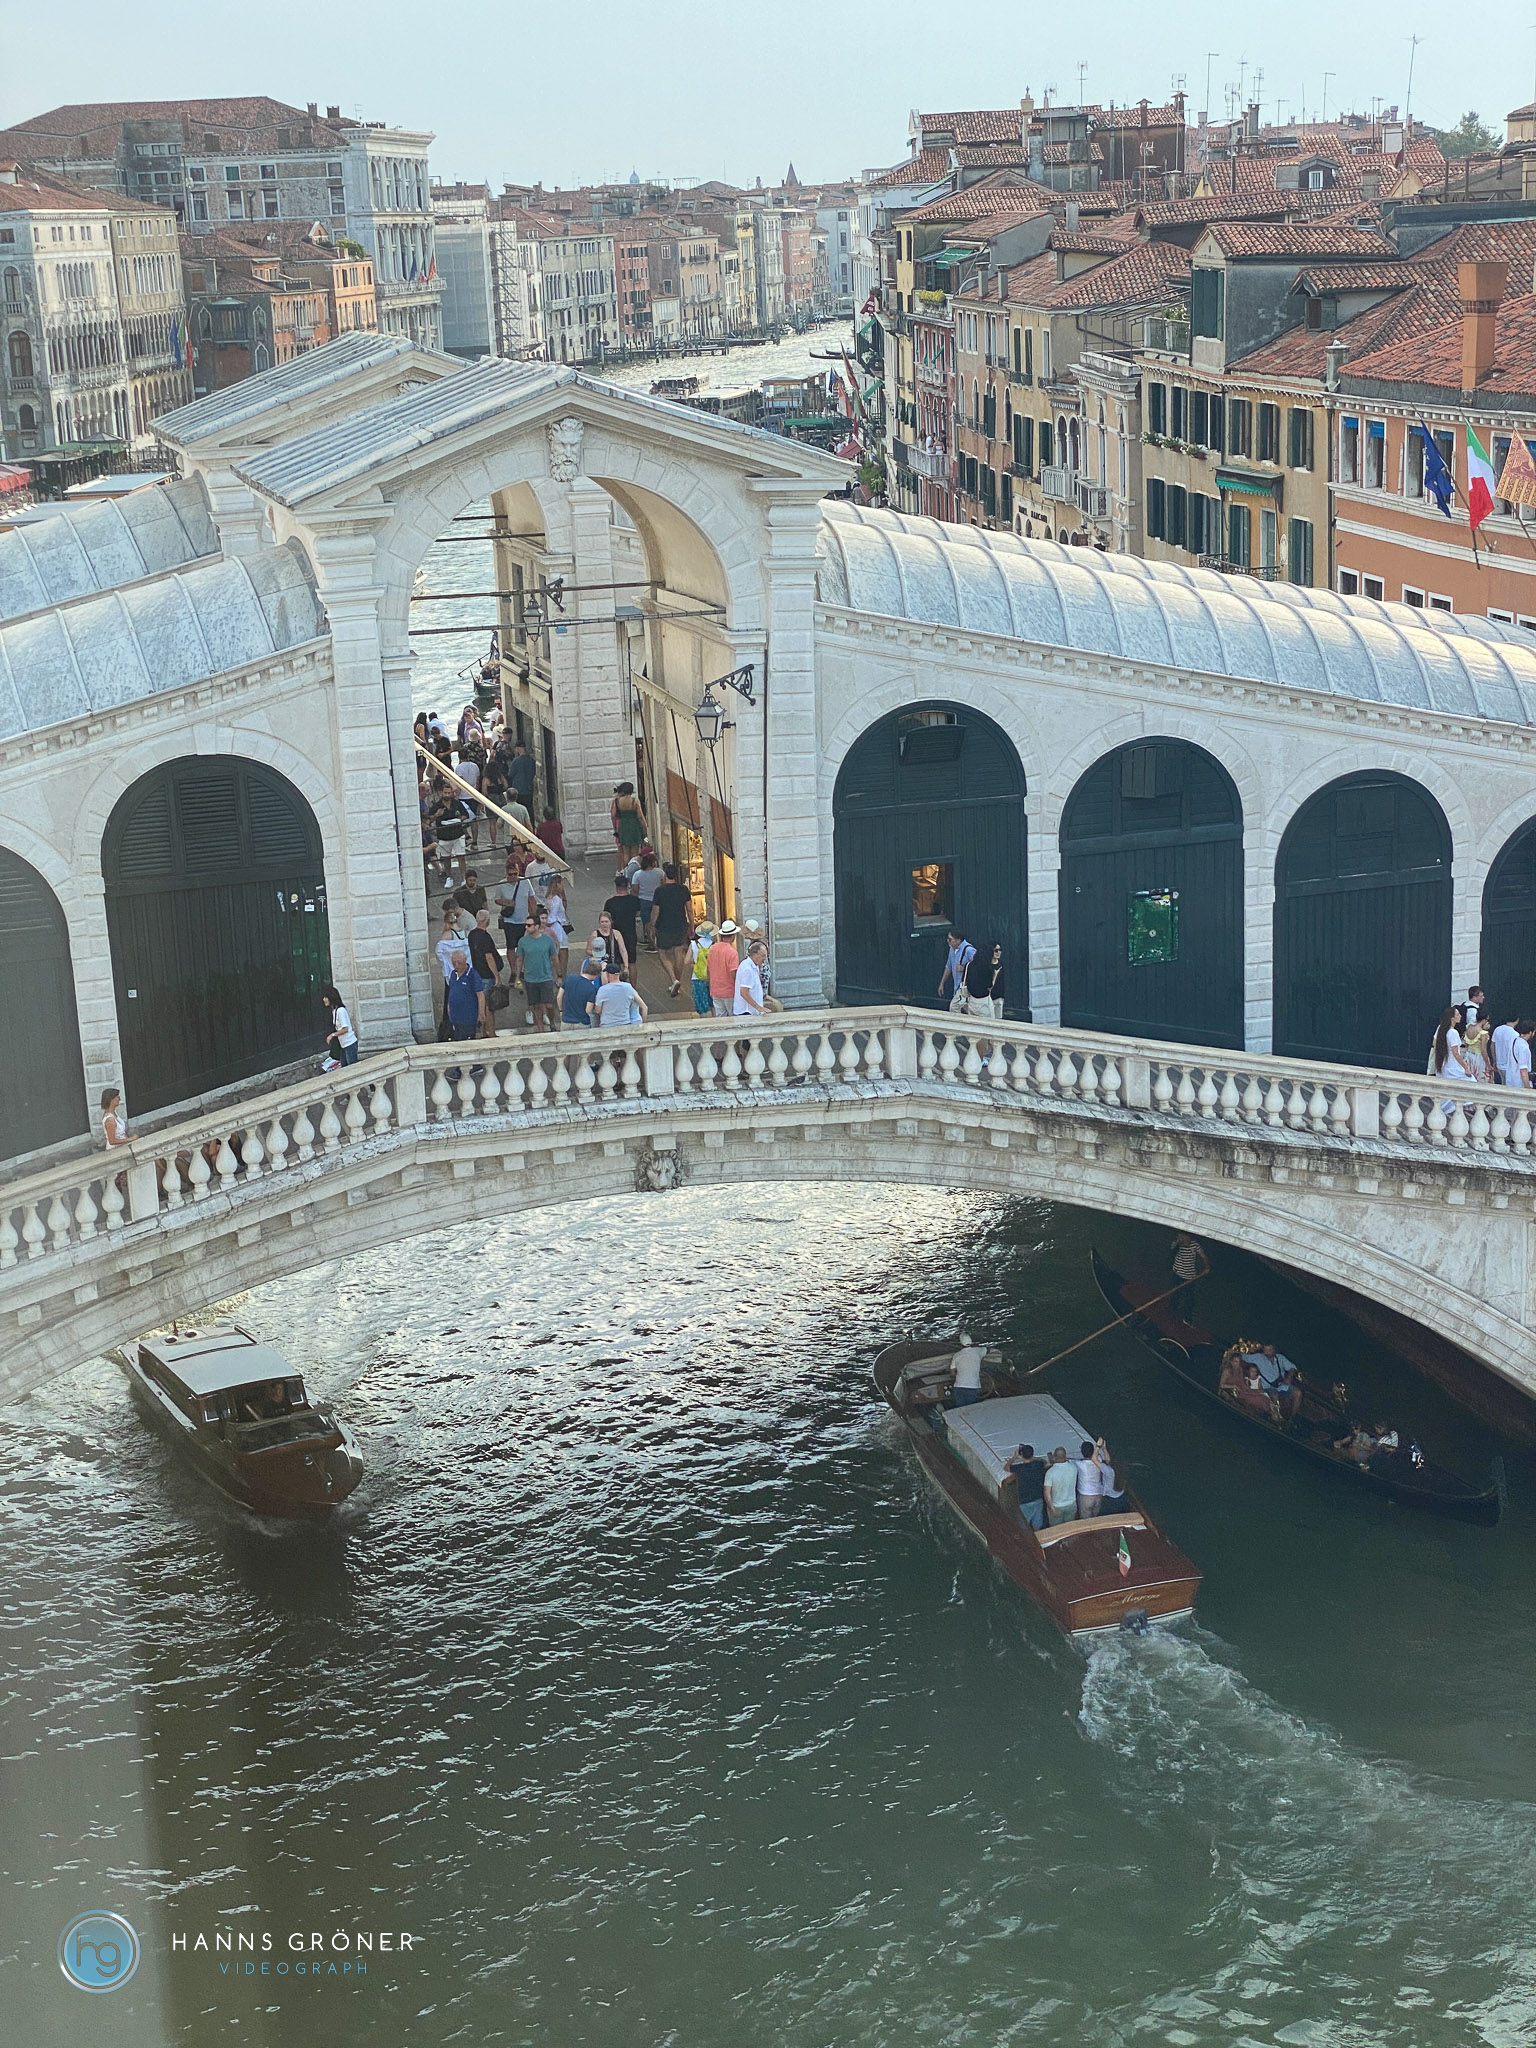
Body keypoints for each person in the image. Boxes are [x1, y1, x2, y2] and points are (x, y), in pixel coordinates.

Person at [653, 862, 694, 995]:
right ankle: (677, 980)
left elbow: (655, 911)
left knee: (662, 953)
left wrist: (652, 926)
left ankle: (673, 979)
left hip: (664, 925)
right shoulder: (684, 890)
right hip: (680, 925)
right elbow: (689, 910)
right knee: (679, 952)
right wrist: (692, 925)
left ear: (665, 875)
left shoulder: (660, 891)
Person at [516, 912, 561, 1033]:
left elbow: (555, 958)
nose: (526, 927)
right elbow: (519, 959)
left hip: (546, 977)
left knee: (549, 1005)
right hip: (530, 978)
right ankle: (540, 1028)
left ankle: (551, 1021)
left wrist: (559, 975)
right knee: (535, 1005)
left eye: (529, 925)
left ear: (537, 926)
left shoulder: (548, 940)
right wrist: (517, 977)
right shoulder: (523, 941)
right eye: (526, 925)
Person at [602, 874, 644, 974]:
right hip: (631, 934)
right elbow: (638, 913)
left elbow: (606, 917)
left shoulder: (610, 903)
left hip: (616, 936)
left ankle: (622, 983)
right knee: (632, 962)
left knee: (620, 962)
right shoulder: (634, 900)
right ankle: (633, 987)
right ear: (627, 886)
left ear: (616, 887)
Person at [589, 961, 648, 1028]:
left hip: (607, 1025)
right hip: (625, 1023)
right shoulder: (628, 987)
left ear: (608, 974)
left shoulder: (602, 990)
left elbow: (597, 1010)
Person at [444, 951, 487, 1041]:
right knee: (457, 1039)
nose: (456, 964)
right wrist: (449, 1006)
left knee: (467, 1040)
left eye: (458, 962)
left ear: (464, 960)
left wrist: (481, 1013)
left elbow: (480, 995)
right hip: (455, 1016)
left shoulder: (472, 975)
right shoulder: (452, 974)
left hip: (468, 1017)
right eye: (453, 962)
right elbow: (452, 991)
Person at [1006, 1443, 1047, 1530]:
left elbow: (1006, 1467)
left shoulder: (1020, 1467)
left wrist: (1014, 1457)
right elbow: (1044, 1461)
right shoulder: (1038, 1464)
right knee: (1038, 1523)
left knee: (1023, 1525)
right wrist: (1032, 1457)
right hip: (1038, 1497)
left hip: (1025, 1500)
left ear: (1022, 1455)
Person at [1170, 1234, 1209, 1320]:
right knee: (1175, 1295)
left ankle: (1187, 1319)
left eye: (1186, 1237)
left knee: (1189, 1299)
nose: (1184, 1239)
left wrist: (1207, 1267)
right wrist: (1178, 1243)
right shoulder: (1177, 1244)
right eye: (1181, 1237)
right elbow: (1172, 1250)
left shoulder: (1195, 1245)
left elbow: (1203, 1256)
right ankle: (1171, 1314)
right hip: (1177, 1274)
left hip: (1190, 1276)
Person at [707, 920, 741, 1018]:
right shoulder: (732, 952)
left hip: (715, 989)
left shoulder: (712, 949)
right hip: (729, 991)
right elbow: (733, 973)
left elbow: (708, 970)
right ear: (733, 935)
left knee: (720, 1018)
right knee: (733, 1017)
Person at [320, 985, 359, 1066]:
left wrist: (332, 1035)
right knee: (344, 1066)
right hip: (343, 1044)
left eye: (325, 997)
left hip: (349, 1044)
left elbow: (345, 1029)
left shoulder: (341, 1011)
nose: (324, 1000)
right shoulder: (334, 1011)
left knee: (352, 1067)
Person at [562, 953, 604, 1027]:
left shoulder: (569, 978)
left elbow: (559, 997)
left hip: (566, 1021)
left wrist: (561, 1010)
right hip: (582, 1023)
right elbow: (588, 1010)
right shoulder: (592, 988)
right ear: (596, 975)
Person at [964, 941, 1003, 1020]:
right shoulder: (986, 969)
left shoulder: (970, 965)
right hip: (983, 1001)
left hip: (972, 1000)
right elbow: (989, 986)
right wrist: (995, 975)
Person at [542, 875, 572, 978]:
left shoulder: (549, 898)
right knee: (562, 952)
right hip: (558, 927)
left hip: (554, 927)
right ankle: (562, 975)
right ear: (557, 884)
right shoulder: (556, 899)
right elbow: (552, 917)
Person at [938, 929, 975, 1010]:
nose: (948, 941)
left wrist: (964, 968)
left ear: (958, 940)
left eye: (950, 939)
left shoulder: (969, 950)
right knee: (967, 1009)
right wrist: (942, 983)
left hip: (966, 986)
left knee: (954, 1007)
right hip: (958, 987)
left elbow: (978, 967)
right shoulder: (952, 949)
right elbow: (949, 967)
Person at [1042, 1448, 1079, 1526]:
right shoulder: (1074, 1468)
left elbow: (1047, 1493)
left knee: (1056, 1531)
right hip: (1071, 1504)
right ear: (1065, 1456)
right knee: (1070, 1528)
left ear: (1054, 1457)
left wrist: (1051, 1507)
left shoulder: (1050, 1472)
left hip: (1056, 1506)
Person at [590, 908, 630, 978]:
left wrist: (626, 966)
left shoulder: (616, 933)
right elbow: (588, 949)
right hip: (600, 965)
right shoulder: (595, 934)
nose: (604, 924)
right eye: (602, 922)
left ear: (610, 922)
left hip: (614, 964)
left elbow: (623, 950)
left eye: (606, 921)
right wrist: (598, 953)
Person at [634, 851, 664, 945]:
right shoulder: (659, 872)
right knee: (657, 920)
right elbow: (663, 884)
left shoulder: (637, 874)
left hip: (644, 900)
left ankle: (651, 942)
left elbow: (635, 889)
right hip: (658, 900)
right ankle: (658, 939)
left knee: (647, 921)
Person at [613, 780, 648, 856]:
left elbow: (615, 815)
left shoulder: (617, 801)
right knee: (634, 852)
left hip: (623, 826)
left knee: (625, 853)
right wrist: (645, 827)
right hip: (634, 826)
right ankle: (634, 867)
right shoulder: (634, 801)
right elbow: (640, 816)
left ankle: (627, 867)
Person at [949, 1331, 984, 1406]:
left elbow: (952, 1372)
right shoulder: (978, 1351)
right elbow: (988, 1349)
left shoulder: (956, 1355)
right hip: (973, 1386)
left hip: (959, 1386)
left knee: (960, 1408)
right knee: (971, 1409)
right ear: (971, 1342)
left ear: (961, 1343)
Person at [733, 939, 767, 1017]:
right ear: (754, 955)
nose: (764, 958)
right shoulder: (747, 969)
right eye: (762, 956)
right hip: (746, 1012)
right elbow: (744, 993)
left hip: (751, 1011)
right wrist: (759, 1008)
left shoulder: (754, 966)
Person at [1075, 1439, 1106, 1518]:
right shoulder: (1099, 1459)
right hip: (1098, 1494)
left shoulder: (1079, 1464)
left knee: (1086, 1522)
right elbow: (1096, 1456)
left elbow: (1066, 1460)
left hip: (1086, 1496)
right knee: (1096, 1519)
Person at [690, 924, 715, 1016]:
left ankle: (703, 1021)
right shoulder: (714, 945)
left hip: (697, 976)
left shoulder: (694, 944)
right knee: (713, 1002)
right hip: (711, 977)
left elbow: (686, 960)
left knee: (701, 1002)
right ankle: (716, 1020)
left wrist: (696, 962)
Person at [506, 741, 537, 813]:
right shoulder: (531, 760)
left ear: (517, 748)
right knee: (529, 809)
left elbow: (510, 774)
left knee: (519, 810)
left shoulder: (516, 761)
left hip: (518, 790)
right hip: (528, 789)